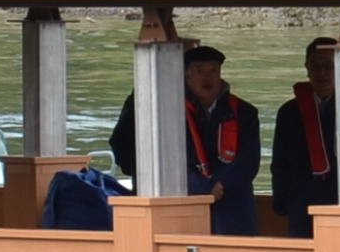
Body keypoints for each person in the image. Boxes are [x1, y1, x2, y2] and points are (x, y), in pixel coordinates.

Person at [110, 44, 264, 238]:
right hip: (183, 204)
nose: (207, 78)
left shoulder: (244, 112)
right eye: (200, 71)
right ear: (186, 75)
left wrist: (220, 186)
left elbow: (248, 162)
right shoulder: (165, 109)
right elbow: (159, 159)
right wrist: (202, 187)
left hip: (232, 207)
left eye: (213, 71)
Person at [272, 36, 339, 235]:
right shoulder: (290, 111)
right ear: (307, 68)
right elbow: (280, 162)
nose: (322, 73)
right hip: (302, 202)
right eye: (316, 66)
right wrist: (281, 201)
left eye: (329, 66)